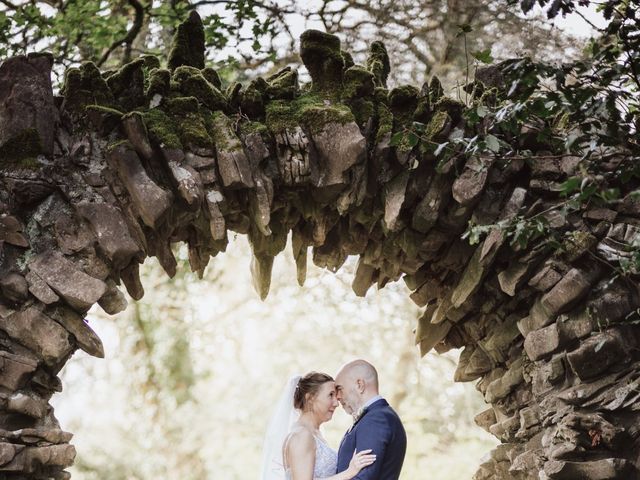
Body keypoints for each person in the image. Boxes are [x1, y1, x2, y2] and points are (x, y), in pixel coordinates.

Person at [261, 372, 377, 480]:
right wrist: (349, 472)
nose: (336, 403)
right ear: (310, 398)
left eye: (336, 397)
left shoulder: (313, 434)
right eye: (330, 395)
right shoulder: (302, 436)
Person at [335, 360, 406, 480]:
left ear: (360, 385)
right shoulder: (378, 416)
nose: (337, 396)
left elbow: (363, 478)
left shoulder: (376, 420)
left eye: (340, 389)